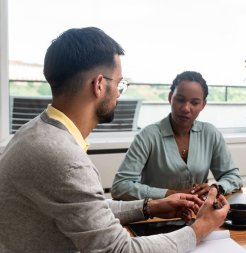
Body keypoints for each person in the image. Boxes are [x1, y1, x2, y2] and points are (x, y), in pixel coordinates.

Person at [0, 27, 229, 253]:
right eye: (119, 83)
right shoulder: (63, 157)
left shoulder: (35, 131)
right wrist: (201, 228)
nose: (119, 93)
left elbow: (90, 209)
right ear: (99, 84)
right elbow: (120, 249)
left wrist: (150, 207)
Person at [111, 71, 243, 201]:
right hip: (155, 218)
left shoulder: (210, 134)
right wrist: (170, 194)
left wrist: (216, 188)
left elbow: (233, 177)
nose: (186, 108)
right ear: (170, 97)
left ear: (203, 105)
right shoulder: (148, 136)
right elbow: (120, 187)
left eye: (195, 102)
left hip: (198, 215)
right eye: (180, 100)